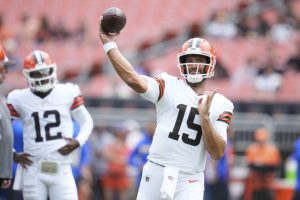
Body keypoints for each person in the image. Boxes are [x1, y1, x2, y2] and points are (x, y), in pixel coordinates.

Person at [98, 20, 234, 200]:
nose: (193, 64)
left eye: (199, 60)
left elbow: (217, 153)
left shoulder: (221, 104)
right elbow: (133, 79)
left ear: (210, 64)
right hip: (156, 170)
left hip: (190, 178)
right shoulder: (168, 85)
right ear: (182, 63)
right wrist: (109, 43)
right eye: (189, 60)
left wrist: (205, 119)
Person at [6, 50, 94, 200]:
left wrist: (79, 141)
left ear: (53, 69)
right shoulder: (18, 98)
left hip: (61, 166)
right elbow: (3, 128)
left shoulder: (67, 92)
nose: (42, 77)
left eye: (45, 71)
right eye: (37, 73)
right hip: (32, 168)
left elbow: (87, 121)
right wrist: (11, 153)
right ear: (27, 75)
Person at [244, 127, 281, 200]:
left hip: (268, 185)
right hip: (255, 185)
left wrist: (262, 167)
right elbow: (251, 165)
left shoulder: (272, 150)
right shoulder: (252, 149)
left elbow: (275, 166)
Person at [0, 44, 15, 189]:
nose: (6, 71)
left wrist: (4, 171)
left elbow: (5, 137)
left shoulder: (2, 98)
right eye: (3, 66)